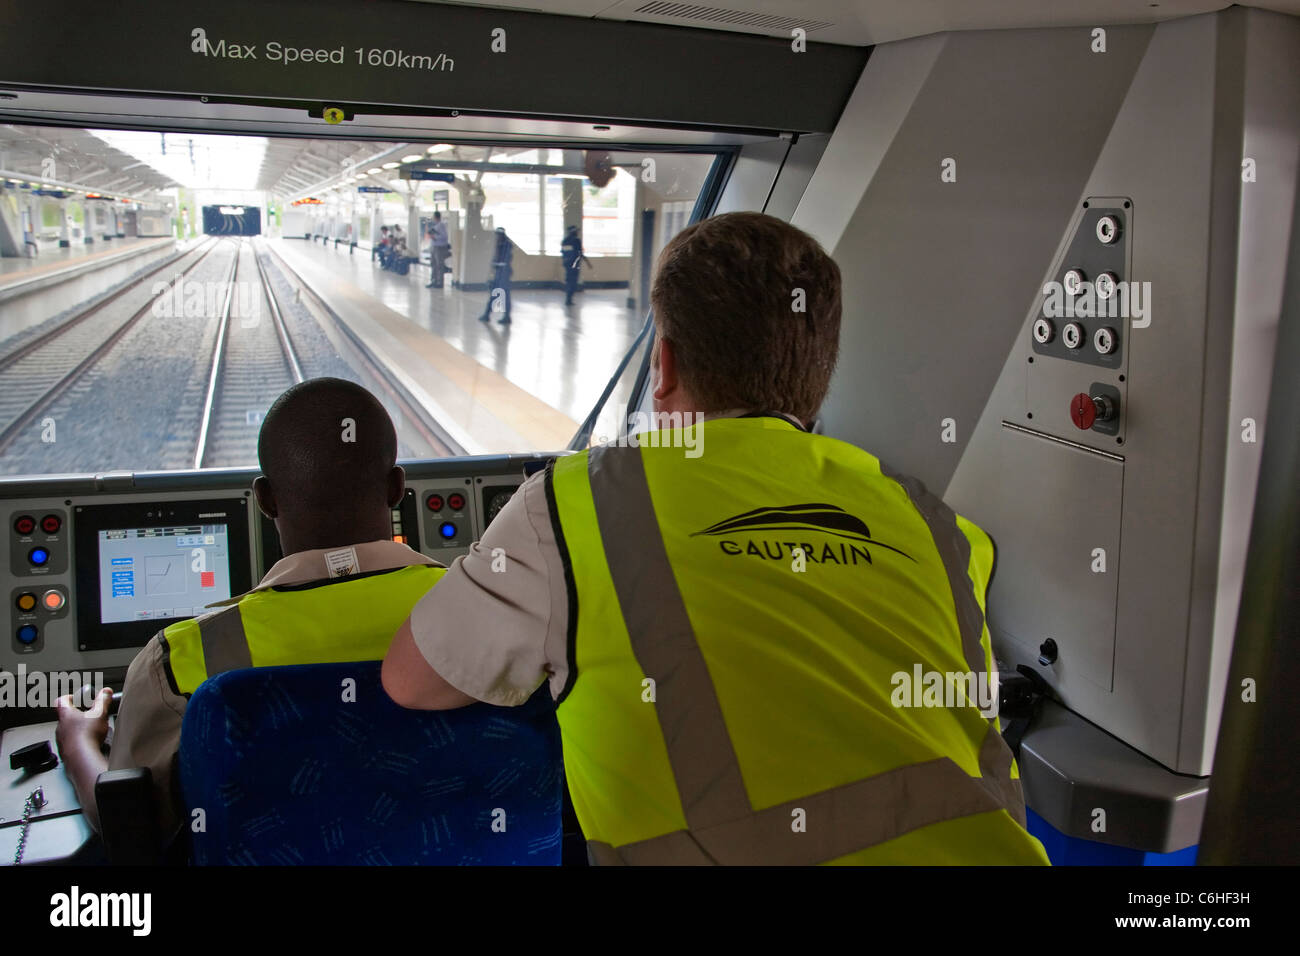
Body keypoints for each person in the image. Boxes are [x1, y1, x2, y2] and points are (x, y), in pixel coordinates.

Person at [383, 211, 1050, 866]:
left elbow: (413, 681)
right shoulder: (933, 522)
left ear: (663, 365)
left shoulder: (577, 501)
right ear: (817, 377)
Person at [56, 378, 446, 846]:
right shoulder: (490, 611)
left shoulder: (177, 662)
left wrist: (77, 741)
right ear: (397, 488)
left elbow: (127, 817)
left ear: (264, 500)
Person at [478, 226, 513, 324]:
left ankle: (506, 316)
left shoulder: (506, 245)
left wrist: (497, 264)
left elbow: (505, 260)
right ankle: (487, 314)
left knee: (503, 294)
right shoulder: (499, 244)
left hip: (504, 273)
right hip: (498, 272)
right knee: (495, 294)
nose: (497, 237)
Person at [560, 224, 589, 305]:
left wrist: (566, 261)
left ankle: (568, 299)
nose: (577, 233)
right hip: (574, 265)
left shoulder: (565, 241)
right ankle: (569, 299)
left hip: (567, 264)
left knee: (569, 281)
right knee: (573, 282)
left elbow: (563, 253)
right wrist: (587, 262)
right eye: (576, 231)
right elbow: (580, 253)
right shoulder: (576, 241)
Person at [426, 212, 451, 288]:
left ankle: (440, 282)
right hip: (434, 247)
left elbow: (444, 236)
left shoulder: (441, 225)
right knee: (433, 265)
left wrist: (435, 237)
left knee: (439, 265)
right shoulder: (436, 226)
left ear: (436, 217)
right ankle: (434, 280)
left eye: (433, 217)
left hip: (440, 248)